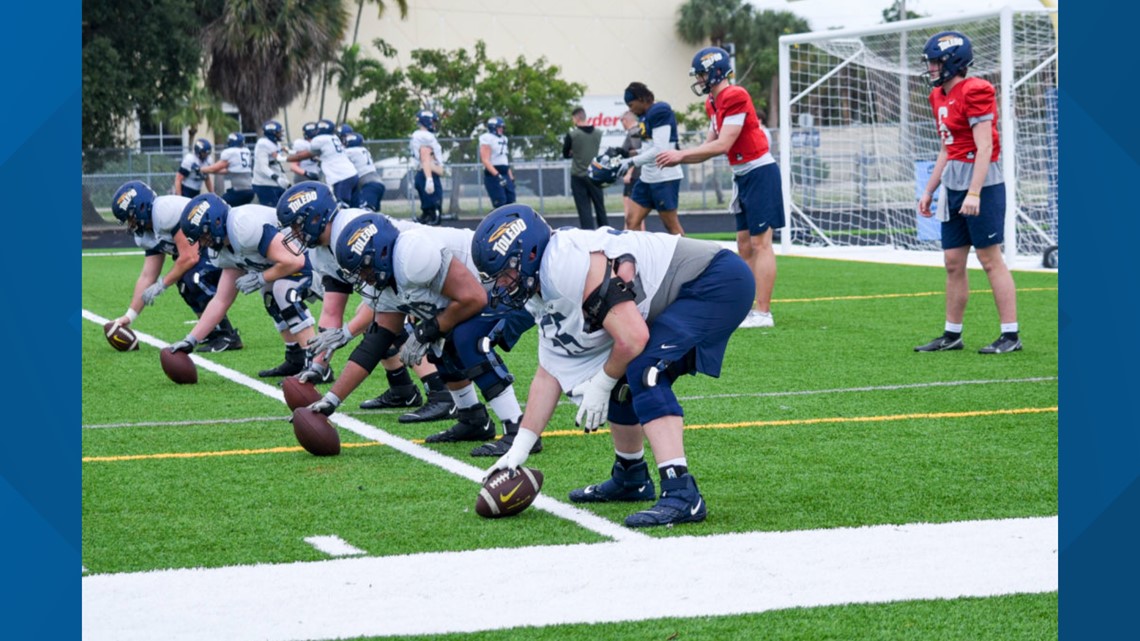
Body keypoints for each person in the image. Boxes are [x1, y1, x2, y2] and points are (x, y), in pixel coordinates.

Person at [472, 205, 754, 527]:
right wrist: (518, 450)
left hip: (713, 280)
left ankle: (682, 494)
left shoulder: (565, 266)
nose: (502, 285)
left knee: (645, 371)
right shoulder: (544, 285)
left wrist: (601, 382)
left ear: (529, 254)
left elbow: (633, 338)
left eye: (506, 274)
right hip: (682, 291)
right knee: (622, 377)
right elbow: (548, 371)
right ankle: (631, 477)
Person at [305, 212, 542, 458]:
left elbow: (474, 297)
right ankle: (473, 419)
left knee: (467, 338)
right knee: (438, 340)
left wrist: (427, 329)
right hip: (478, 295)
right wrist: (332, 399)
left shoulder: (412, 255)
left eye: (364, 269)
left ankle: (518, 430)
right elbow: (377, 341)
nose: (364, 278)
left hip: (511, 285)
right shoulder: (385, 277)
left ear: (382, 254)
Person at [275, 181, 456, 421]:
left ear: (315, 217)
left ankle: (441, 394)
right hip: (396, 284)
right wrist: (319, 364)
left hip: (429, 268)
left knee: (395, 327)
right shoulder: (321, 251)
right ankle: (402, 389)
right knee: (377, 328)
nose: (294, 235)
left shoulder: (350, 232)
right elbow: (331, 310)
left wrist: (346, 333)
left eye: (297, 226)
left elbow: (380, 307)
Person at [657, 47, 784, 330]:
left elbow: (723, 144)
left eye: (701, 74)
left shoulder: (735, 95)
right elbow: (708, 146)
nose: (699, 80)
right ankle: (746, 307)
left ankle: (763, 313)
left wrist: (680, 154)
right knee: (743, 243)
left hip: (760, 171)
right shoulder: (713, 103)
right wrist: (680, 156)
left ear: (714, 70)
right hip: (742, 175)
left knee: (761, 243)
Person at [916, 31, 1021, 354]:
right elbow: (947, 148)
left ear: (954, 63)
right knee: (952, 261)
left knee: (990, 259)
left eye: (936, 62)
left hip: (982, 181)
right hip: (954, 182)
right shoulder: (938, 97)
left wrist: (974, 192)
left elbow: (985, 145)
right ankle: (952, 334)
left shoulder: (976, 89)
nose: (932, 68)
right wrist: (930, 189)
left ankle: (1010, 335)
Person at [171, 194, 319, 377]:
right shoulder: (221, 250)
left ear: (217, 223)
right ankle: (295, 358)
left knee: (283, 291)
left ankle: (317, 364)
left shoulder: (243, 226)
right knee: (271, 296)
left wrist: (260, 278)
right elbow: (221, 300)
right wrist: (191, 340)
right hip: (285, 262)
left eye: (203, 235)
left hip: (309, 255)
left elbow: (295, 261)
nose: (202, 242)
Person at [108, 181, 242, 353]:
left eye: (130, 217)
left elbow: (190, 257)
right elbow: (148, 275)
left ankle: (227, 335)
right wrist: (130, 316)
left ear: (140, 207)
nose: (130, 224)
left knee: (195, 278)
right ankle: (210, 330)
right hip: (203, 249)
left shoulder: (164, 212)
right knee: (185, 284)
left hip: (221, 245)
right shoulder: (145, 235)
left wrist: (163, 283)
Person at [619, 82, 685, 236]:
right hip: (647, 177)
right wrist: (627, 155)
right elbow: (649, 147)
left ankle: (689, 259)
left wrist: (632, 162)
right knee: (631, 222)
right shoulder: (645, 116)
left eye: (631, 104)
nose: (630, 109)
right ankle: (639, 259)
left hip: (664, 177)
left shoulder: (659, 111)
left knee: (671, 227)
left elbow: (659, 149)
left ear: (641, 99)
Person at [286, 119, 359, 206]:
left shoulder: (319, 140)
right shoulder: (334, 138)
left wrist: (285, 158)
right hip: (352, 174)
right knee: (352, 205)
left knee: (341, 206)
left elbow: (303, 155)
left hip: (341, 177)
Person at [562, 106, 607, 229]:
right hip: (595, 175)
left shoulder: (572, 134)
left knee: (584, 210)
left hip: (578, 176)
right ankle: (607, 232)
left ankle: (588, 237)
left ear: (576, 118)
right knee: (600, 208)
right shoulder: (598, 133)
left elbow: (565, 154)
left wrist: (573, 152)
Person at [410, 109, 445, 226]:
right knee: (433, 210)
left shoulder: (419, 135)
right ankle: (430, 214)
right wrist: (429, 179)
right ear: (428, 121)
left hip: (423, 173)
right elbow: (425, 155)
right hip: (428, 173)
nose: (434, 124)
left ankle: (427, 214)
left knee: (427, 210)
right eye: (433, 122)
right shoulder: (424, 136)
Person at [200, 132, 255, 206]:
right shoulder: (246, 151)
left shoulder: (231, 152)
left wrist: (200, 169)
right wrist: (208, 170)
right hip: (250, 191)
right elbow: (225, 171)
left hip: (238, 191)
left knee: (218, 205)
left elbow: (215, 168)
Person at [342, 132, 387, 211]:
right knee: (371, 213)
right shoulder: (364, 150)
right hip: (378, 183)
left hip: (368, 185)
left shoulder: (349, 152)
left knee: (364, 214)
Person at [251, 120, 291, 207]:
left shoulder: (276, 144)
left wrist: (284, 178)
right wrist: (277, 178)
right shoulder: (263, 144)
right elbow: (263, 167)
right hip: (264, 184)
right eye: (278, 132)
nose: (281, 134)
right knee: (271, 212)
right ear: (272, 133)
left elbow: (277, 164)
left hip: (275, 183)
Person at [479, 116, 516, 208]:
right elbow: (485, 160)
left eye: (502, 128)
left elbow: (504, 159)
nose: (501, 130)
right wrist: (497, 175)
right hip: (493, 174)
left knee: (511, 199)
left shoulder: (504, 139)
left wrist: (510, 176)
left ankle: (510, 221)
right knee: (501, 202)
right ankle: (499, 222)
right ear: (493, 127)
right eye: (499, 127)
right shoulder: (487, 138)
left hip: (504, 172)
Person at [617, 111, 643, 230]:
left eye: (622, 122)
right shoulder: (638, 131)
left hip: (635, 176)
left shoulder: (633, 132)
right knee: (637, 213)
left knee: (631, 212)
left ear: (625, 121)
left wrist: (628, 173)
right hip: (638, 175)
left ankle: (628, 238)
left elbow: (635, 153)